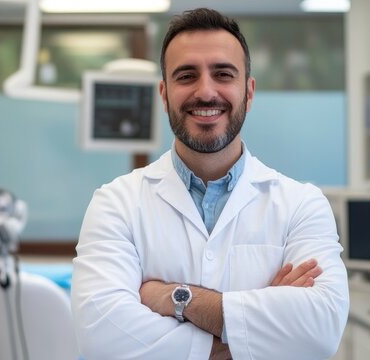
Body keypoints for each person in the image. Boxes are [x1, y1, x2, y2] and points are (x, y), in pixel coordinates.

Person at [71, 8, 349, 360]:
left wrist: (175, 298)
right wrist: (250, 340)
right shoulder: (115, 203)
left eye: (223, 74)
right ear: (164, 93)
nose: (206, 92)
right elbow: (102, 337)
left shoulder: (301, 204)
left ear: (248, 91)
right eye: (187, 76)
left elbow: (320, 331)